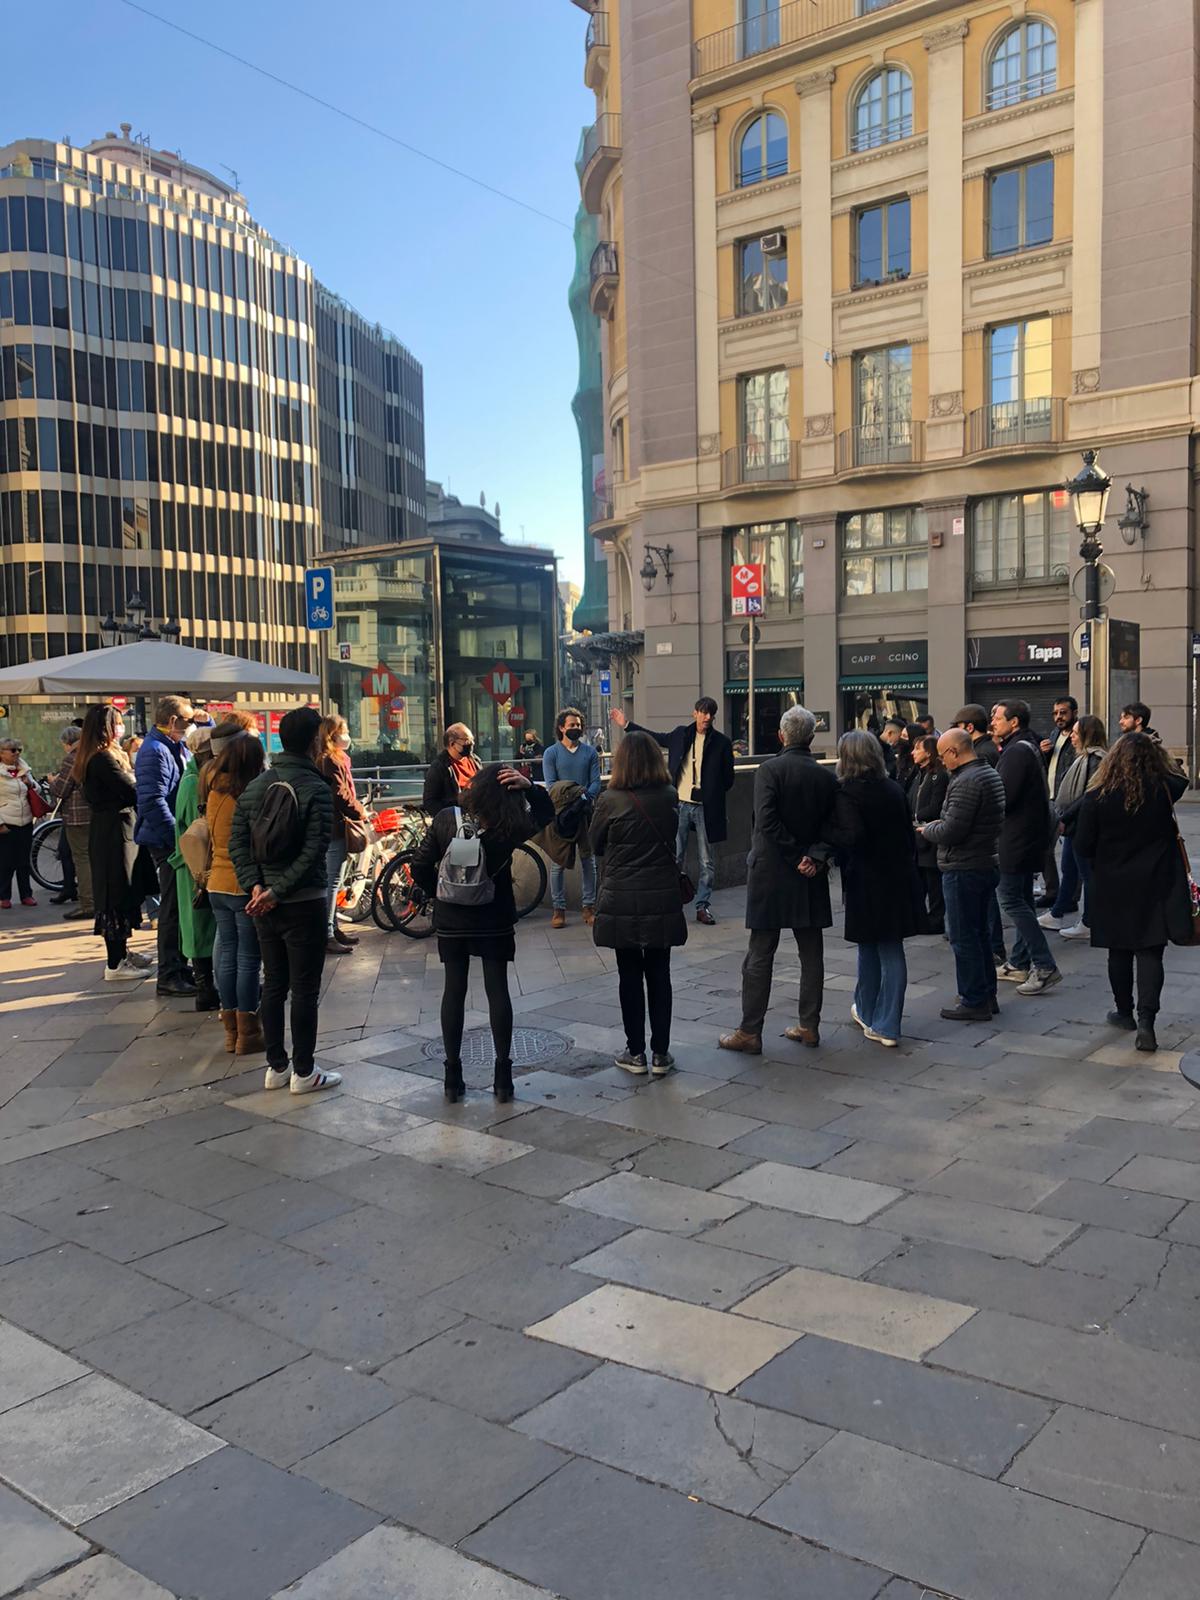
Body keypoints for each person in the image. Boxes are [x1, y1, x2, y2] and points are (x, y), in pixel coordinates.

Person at [411, 763, 554, 1103]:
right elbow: (546, 814)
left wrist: (441, 895)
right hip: (494, 917)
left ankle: (452, 1075)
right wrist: (530, 787)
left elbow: (419, 865)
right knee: (497, 990)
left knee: (454, 991)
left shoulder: (446, 819)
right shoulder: (509, 826)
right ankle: (503, 1077)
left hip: (451, 921)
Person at [230, 706, 341, 1095]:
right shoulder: (317, 787)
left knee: (274, 983)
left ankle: (276, 1067)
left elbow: (237, 842)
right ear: (315, 741)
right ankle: (304, 1071)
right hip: (303, 901)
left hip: (263, 904)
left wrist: (255, 887)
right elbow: (314, 851)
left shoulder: (256, 786)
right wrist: (277, 891)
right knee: (305, 989)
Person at [719, 706, 838, 1053]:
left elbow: (766, 822)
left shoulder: (769, 770)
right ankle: (809, 1025)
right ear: (811, 737)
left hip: (771, 871)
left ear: (781, 736)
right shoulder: (826, 777)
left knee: (760, 953)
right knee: (811, 954)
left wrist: (794, 855)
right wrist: (813, 856)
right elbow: (835, 826)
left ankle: (750, 1031)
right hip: (810, 874)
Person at [1074, 732, 1189, 1054]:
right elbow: (1180, 778)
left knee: (1119, 950)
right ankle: (1147, 1022)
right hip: (1156, 882)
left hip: (1113, 883)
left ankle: (1123, 1011)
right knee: (1150, 951)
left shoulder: (1097, 795)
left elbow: (1082, 845)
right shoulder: (1164, 789)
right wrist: (1159, 753)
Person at [812, 731, 923, 1047]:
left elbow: (851, 836)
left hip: (867, 880)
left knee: (876, 946)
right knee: (884, 946)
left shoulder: (848, 793)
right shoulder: (893, 788)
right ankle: (869, 1010)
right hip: (898, 876)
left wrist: (824, 832)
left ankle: (886, 1024)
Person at [591, 731, 687, 1075]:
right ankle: (661, 1053)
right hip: (661, 894)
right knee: (660, 974)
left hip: (621, 896)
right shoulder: (669, 795)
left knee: (628, 975)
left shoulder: (609, 799)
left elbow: (596, 844)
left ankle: (635, 1053)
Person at [611, 697, 735, 926]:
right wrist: (626, 724)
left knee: (706, 860)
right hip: (680, 805)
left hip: (706, 808)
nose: (707, 717)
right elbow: (653, 738)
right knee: (675, 856)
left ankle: (702, 906)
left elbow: (728, 779)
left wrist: (711, 791)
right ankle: (672, 902)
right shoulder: (680, 734)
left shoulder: (721, 743)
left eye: (711, 713)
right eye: (703, 712)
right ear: (695, 713)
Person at [918, 728, 1006, 1022]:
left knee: (964, 936)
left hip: (964, 866)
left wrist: (927, 829)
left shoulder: (967, 780)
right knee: (979, 933)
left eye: (942, 755)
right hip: (983, 862)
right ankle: (986, 994)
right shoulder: (987, 773)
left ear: (954, 752)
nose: (941, 761)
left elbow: (952, 830)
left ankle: (974, 999)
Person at [77, 704, 155, 981]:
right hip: (113, 833)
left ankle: (122, 952)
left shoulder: (101, 755)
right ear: (105, 728)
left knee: (124, 891)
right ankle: (115, 963)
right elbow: (131, 789)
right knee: (115, 894)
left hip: (117, 829)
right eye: (118, 723)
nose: (122, 728)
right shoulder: (101, 759)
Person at [202, 716, 266, 1056]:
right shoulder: (249, 795)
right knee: (248, 959)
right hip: (243, 884)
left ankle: (231, 1032)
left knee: (227, 955)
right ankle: (249, 1032)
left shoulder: (214, 789)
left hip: (216, 882)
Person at [991, 699, 1059, 995]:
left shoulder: (1017, 751)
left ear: (1014, 721)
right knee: (1022, 899)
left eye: (997, 717)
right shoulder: (1025, 746)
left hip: (1015, 839)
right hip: (1027, 837)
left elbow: (1003, 797)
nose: (993, 722)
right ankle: (1018, 962)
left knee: (1010, 899)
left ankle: (1044, 965)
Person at [134, 694, 196, 997]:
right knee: (171, 908)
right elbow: (152, 801)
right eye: (188, 720)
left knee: (178, 905)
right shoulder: (155, 750)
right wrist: (178, 839)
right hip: (165, 841)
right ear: (173, 720)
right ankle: (169, 974)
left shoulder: (171, 745)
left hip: (171, 838)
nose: (191, 725)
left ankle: (179, 967)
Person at [1039, 715, 1107, 941]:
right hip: (1073, 825)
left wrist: (1065, 817)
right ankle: (1057, 913)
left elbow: (1089, 795)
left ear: (1088, 734)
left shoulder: (1097, 759)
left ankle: (1089, 922)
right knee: (1069, 870)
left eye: (1076, 733)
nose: (1072, 737)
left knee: (1087, 874)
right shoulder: (1084, 758)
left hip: (1082, 825)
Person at [169, 725, 219, 1012]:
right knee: (199, 926)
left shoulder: (197, 777)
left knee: (203, 925)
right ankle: (205, 988)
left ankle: (208, 986)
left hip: (197, 864)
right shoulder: (192, 782)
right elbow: (195, 828)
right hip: (193, 865)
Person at [543, 707, 602, 928]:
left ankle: (589, 906)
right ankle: (558, 910)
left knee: (589, 861)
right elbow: (551, 785)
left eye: (578, 725)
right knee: (558, 863)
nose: (576, 728)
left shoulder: (590, 753)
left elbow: (595, 782)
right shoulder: (551, 753)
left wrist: (584, 798)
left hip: (585, 813)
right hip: (561, 815)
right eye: (571, 725)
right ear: (561, 728)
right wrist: (575, 795)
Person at [316, 714, 368, 956]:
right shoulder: (330, 761)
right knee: (333, 880)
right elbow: (340, 794)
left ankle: (333, 928)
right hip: (335, 827)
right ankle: (326, 933)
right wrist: (360, 811)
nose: (346, 736)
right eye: (343, 731)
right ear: (331, 734)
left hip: (334, 826)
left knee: (335, 878)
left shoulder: (334, 759)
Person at [1036, 696, 1079, 909]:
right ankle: (1053, 891)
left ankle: (1070, 897)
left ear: (1074, 713)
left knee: (1071, 854)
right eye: (1055, 713)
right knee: (1045, 847)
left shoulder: (1077, 737)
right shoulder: (1054, 734)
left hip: (1068, 801)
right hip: (1051, 798)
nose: (1058, 717)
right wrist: (1043, 752)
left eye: (1063, 712)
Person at [48, 725, 94, 920]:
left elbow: (62, 789)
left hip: (77, 816)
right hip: (95, 814)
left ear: (67, 742)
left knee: (82, 859)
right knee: (94, 857)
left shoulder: (72, 758)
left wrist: (52, 782)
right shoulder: (93, 753)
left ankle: (88, 903)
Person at [910, 735, 949, 934]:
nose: (913, 752)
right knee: (920, 880)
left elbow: (935, 806)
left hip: (930, 834)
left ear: (928, 752)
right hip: (917, 835)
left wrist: (915, 816)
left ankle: (936, 920)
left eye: (917, 748)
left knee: (934, 882)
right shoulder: (919, 774)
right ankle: (920, 917)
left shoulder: (939, 775)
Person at [0, 736, 38, 909]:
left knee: (24, 861)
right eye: (12, 750)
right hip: (7, 822)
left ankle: (26, 894)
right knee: (6, 862)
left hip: (25, 820)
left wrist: (30, 784)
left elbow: (36, 789)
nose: (17, 753)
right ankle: (4, 896)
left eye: (19, 750)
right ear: (1, 753)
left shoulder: (23, 768)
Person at [423, 724, 480, 816]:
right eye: (467, 740)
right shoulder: (439, 767)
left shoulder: (475, 760)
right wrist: (453, 817)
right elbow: (430, 802)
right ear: (452, 743)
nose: (471, 743)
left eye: (472, 740)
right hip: (458, 817)